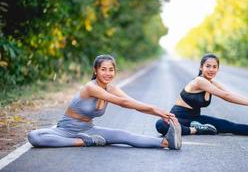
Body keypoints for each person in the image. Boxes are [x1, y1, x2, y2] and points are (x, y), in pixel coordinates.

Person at [28, 55, 182, 150]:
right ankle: (82, 142)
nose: (108, 73)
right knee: (34, 136)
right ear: (95, 71)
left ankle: (166, 143)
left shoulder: (111, 88)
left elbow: (132, 103)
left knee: (123, 135)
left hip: (88, 129)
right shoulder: (91, 87)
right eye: (103, 69)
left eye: (111, 70)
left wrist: (161, 112)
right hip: (65, 130)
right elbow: (122, 102)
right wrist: (81, 140)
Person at [155, 53, 248, 138]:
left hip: (195, 119)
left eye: (215, 67)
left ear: (218, 69)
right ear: (201, 67)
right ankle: (197, 130)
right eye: (208, 66)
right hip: (178, 118)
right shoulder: (200, 81)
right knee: (161, 124)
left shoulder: (211, 82)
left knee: (228, 125)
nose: (211, 69)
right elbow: (225, 95)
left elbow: (230, 94)